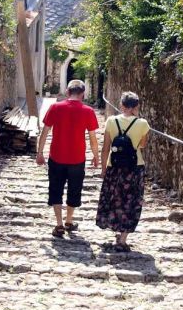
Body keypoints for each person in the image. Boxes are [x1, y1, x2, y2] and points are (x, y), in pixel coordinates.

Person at [36, 80, 100, 237]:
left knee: (55, 189)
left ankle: (58, 224)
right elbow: (93, 137)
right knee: (74, 189)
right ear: (83, 94)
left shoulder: (55, 108)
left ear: (67, 92)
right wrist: (96, 155)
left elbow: (45, 131)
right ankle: (69, 221)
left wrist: (39, 152)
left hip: (57, 157)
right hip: (77, 158)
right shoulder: (88, 111)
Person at [96, 92, 150, 252]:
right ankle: (123, 237)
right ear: (136, 106)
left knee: (115, 198)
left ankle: (115, 226)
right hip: (135, 168)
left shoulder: (111, 121)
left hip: (115, 167)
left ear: (121, 105)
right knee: (131, 201)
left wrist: (104, 170)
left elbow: (105, 148)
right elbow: (142, 145)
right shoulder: (143, 124)